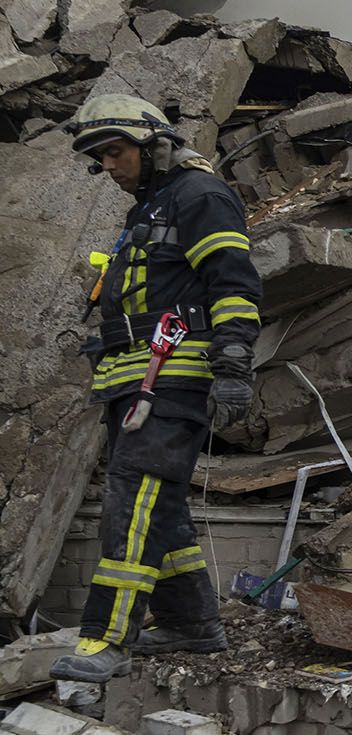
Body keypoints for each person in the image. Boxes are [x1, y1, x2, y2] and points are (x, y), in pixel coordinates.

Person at [50, 95, 263, 682]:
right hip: (134, 380)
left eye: (115, 153)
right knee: (159, 505)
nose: (109, 168)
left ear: (154, 146)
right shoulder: (151, 208)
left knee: (132, 498)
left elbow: (234, 283)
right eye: (101, 159)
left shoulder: (200, 196)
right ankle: (192, 624)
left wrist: (234, 365)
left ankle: (107, 637)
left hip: (174, 376)